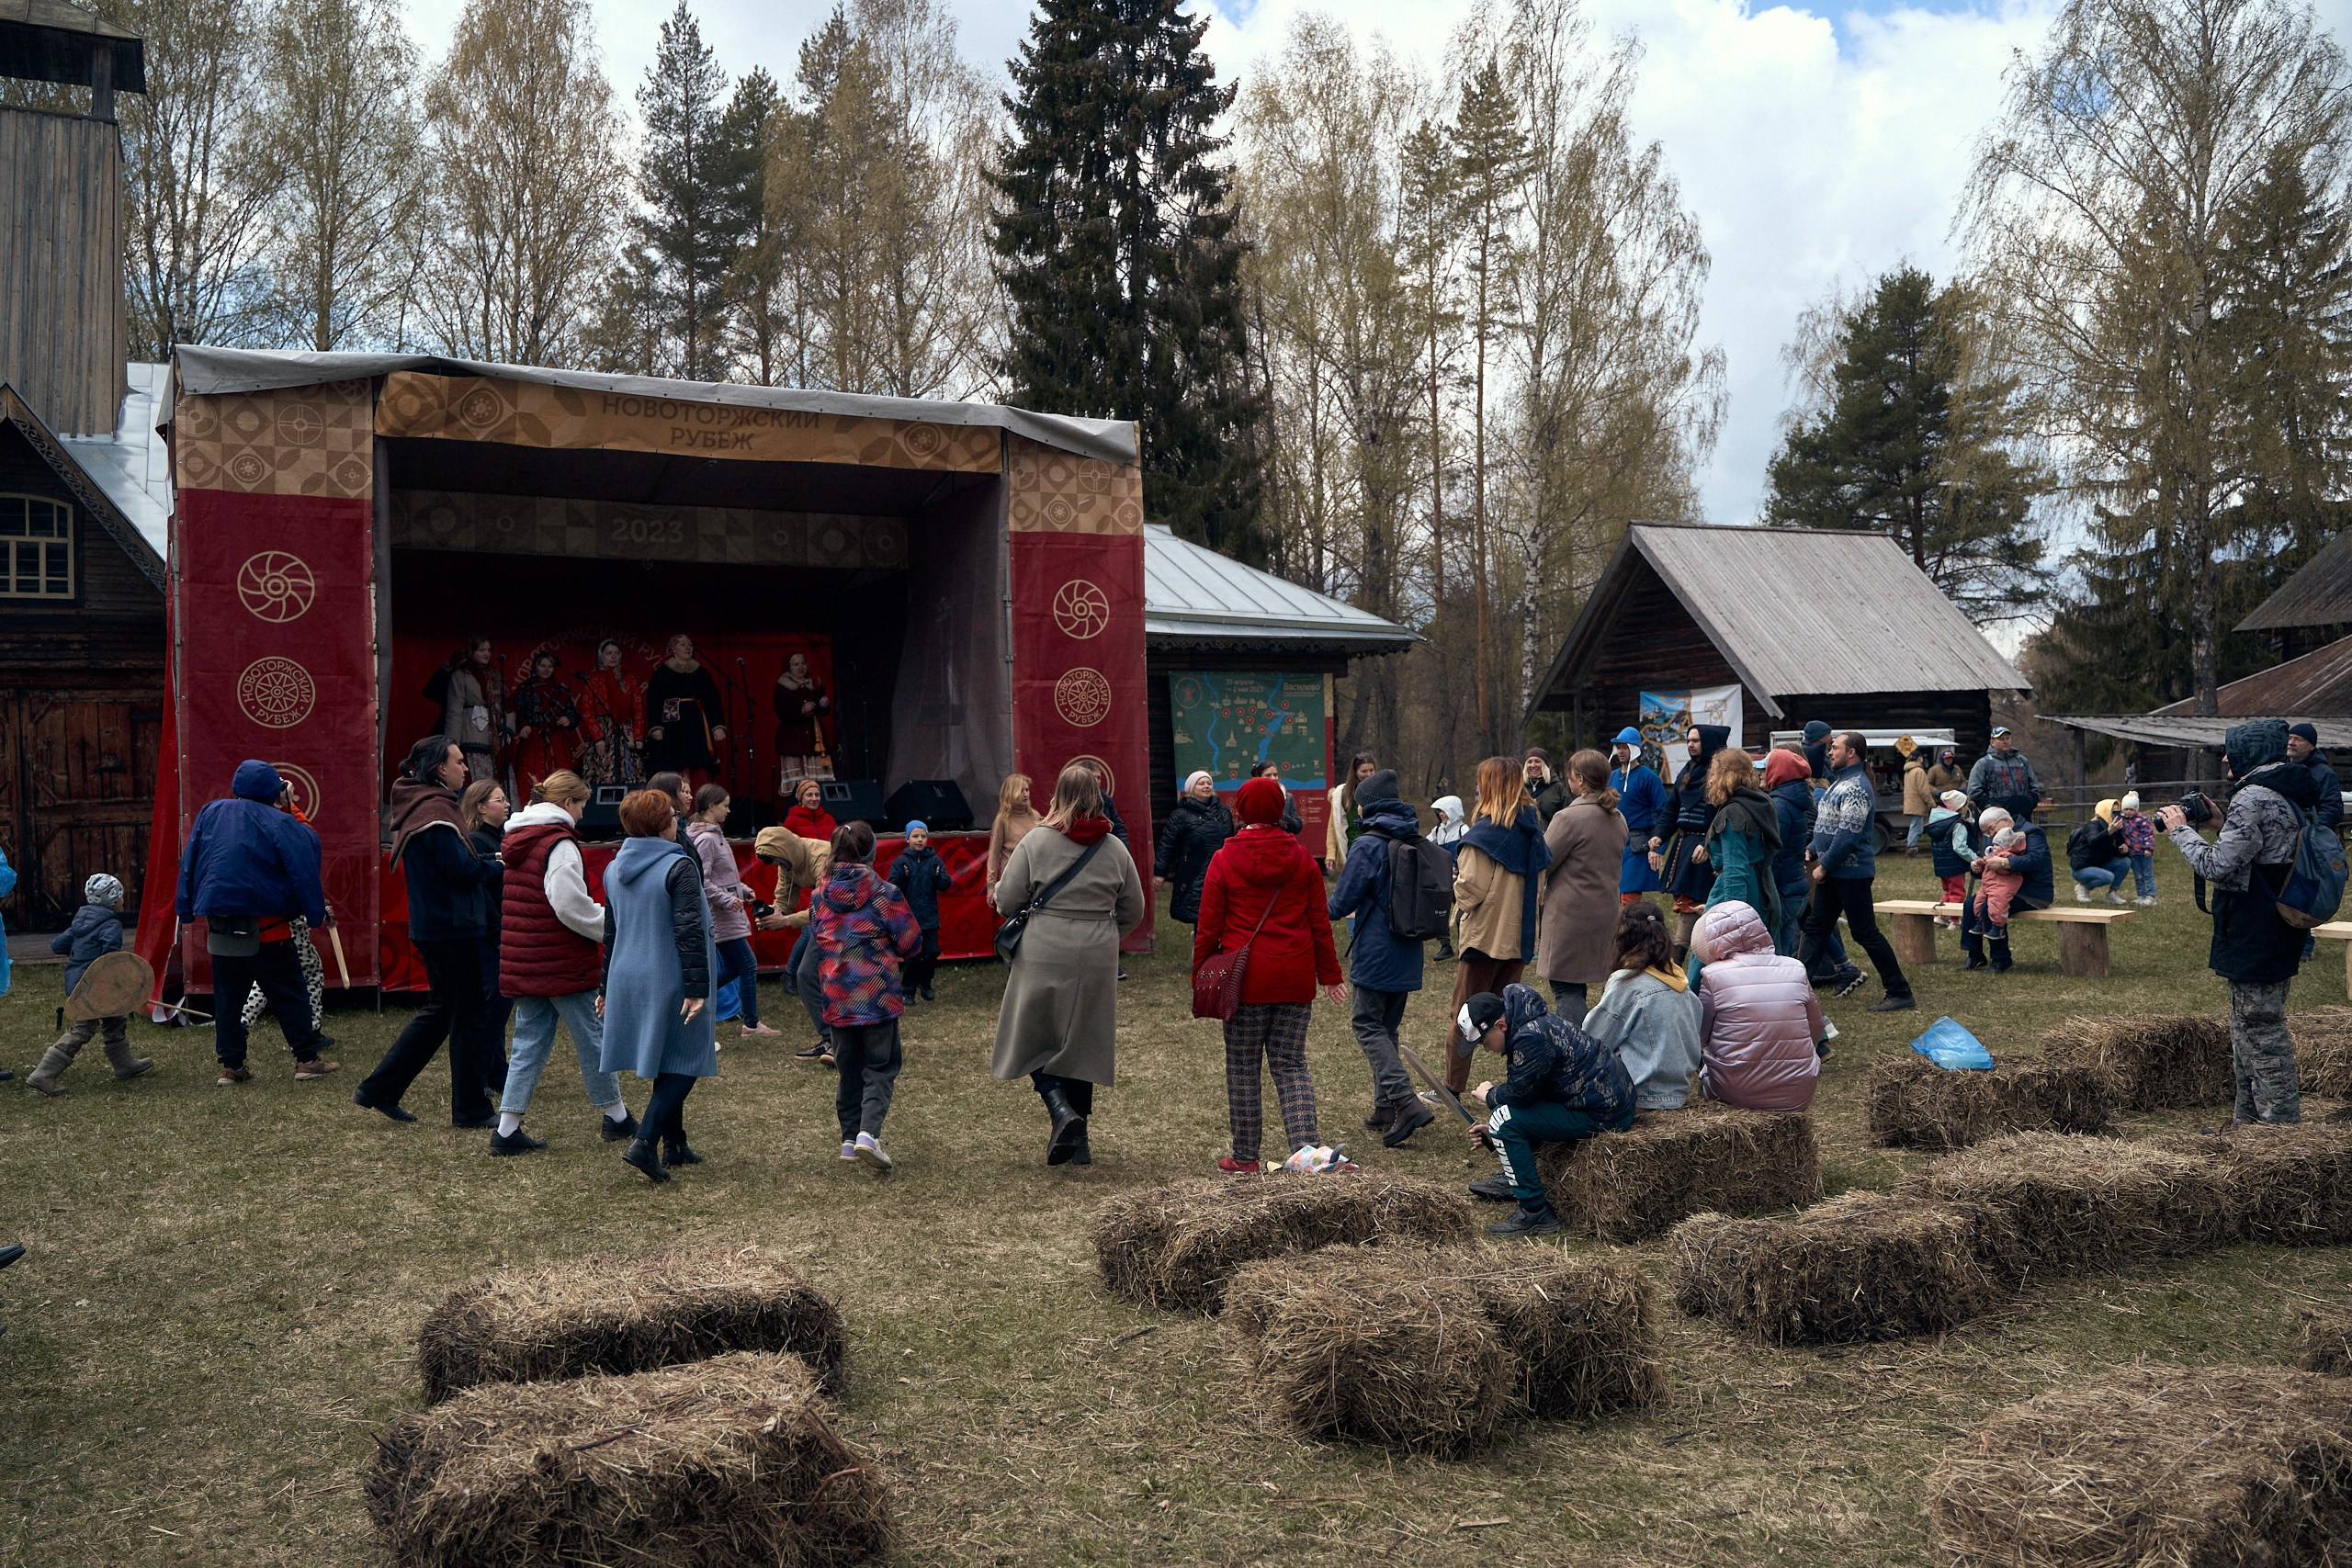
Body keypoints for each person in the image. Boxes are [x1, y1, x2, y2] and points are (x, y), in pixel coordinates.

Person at [2159, 718, 2321, 1124]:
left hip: (2256, 927)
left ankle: (2278, 1129)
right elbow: (2266, 844)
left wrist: (2181, 831)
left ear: (2252, 751)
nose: (2227, 757)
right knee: (2248, 1029)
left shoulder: (2254, 797)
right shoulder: (2285, 790)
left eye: (2232, 749)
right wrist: (2220, 821)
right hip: (2278, 923)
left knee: (2261, 1032)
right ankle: (2247, 1126)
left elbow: (2215, 865)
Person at [991, 762, 1147, 1165]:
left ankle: (1060, 1109)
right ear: (1097, 797)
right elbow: (1134, 907)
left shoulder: (1036, 842)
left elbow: (1007, 901)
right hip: (1097, 950)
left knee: (1034, 1033)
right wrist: (1107, 932)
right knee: (1083, 1040)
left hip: (1044, 946)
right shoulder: (1114, 847)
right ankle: (1080, 1141)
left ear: (1057, 793)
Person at [1194, 776, 1344, 1173]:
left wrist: (1201, 974)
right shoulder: (1301, 859)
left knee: (1243, 1067)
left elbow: (1207, 926)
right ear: (1281, 811)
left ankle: (1245, 1157)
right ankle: (1306, 1156)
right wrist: (1330, 975)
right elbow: (1319, 922)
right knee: (1291, 1064)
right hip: (1294, 977)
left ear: (1239, 811)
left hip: (1244, 980)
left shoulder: (1224, 859)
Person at [356, 738, 504, 1126]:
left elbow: (461, 862)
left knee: (443, 1013)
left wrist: (490, 859)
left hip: (439, 926)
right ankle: (471, 1109)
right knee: (468, 1016)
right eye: (458, 762)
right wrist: (502, 865)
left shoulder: (421, 803)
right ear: (440, 769)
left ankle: (379, 1089)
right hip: (453, 928)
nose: (465, 769)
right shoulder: (435, 810)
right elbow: (462, 871)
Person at [490, 770, 636, 1156]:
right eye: (582, 804)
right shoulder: (559, 844)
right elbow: (569, 904)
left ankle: (507, 1130)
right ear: (568, 804)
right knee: (593, 1038)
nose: (584, 813)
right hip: (561, 960)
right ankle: (617, 1117)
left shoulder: (518, 838)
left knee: (528, 1043)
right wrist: (610, 925)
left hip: (528, 959)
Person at [177, 759, 336, 1086]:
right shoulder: (280, 820)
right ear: (274, 791)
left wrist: (186, 908)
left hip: (220, 927)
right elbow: (307, 852)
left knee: (228, 999)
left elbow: (190, 859)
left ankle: (231, 1067)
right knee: (291, 995)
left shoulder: (211, 812)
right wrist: (314, 912)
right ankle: (306, 1060)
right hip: (269, 929)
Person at [598, 788, 717, 1179]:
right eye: (672, 815)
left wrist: (604, 987)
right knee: (686, 1058)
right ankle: (645, 1142)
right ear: (660, 824)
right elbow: (688, 930)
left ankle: (675, 1143)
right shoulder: (679, 866)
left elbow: (610, 933)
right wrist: (697, 987)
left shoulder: (613, 868)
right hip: (669, 973)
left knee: (668, 1056)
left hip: (627, 972)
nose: (677, 820)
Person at [1460, 985, 1636, 1237]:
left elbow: (1519, 1095)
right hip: (1600, 1101)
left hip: (1605, 1113)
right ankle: (1517, 1176)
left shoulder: (1529, 1038)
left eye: (1484, 1043)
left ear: (1501, 1025)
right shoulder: (1527, 1020)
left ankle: (1535, 1212)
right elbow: (1532, 1093)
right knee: (1504, 1117)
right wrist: (1494, 1134)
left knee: (1503, 1121)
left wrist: (1490, 1095)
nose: (1486, 1050)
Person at [1329, 769, 1436, 1147]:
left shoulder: (1368, 844)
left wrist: (1316, 907)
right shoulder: (1414, 837)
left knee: (1367, 1025)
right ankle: (1385, 1107)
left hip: (1375, 951)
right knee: (1387, 1027)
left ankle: (1404, 1101)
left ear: (1367, 804)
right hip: (1409, 948)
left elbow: (1341, 902)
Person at [812, 820, 922, 1172]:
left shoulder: (819, 896)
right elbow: (911, 942)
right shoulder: (885, 894)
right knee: (880, 1066)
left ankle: (848, 1139)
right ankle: (867, 1135)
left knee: (848, 1069)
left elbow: (818, 937)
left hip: (837, 997)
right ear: (872, 853)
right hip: (877, 997)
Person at [1443, 757, 1553, 1094]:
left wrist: (1455, 883)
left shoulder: (1485, 835)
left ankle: (1452, 1086)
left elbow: (1471, 890)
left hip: (1485, 939)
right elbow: (1540, 887)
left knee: (1464, 1015)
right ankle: (1520, 1083)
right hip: (1519, 940)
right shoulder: (1533, 831)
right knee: (1509, 1018)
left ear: (1489, 786)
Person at [1797, 730, 1915, 1011]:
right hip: (1836, 873)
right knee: (1816, 929)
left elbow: (1847, 834)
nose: (1830, 752)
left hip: (1851, 874)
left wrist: (1824, 866)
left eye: (1835, 747)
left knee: (1864, 932)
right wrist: (1812, 849)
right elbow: (1828, 829)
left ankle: (1899, 992)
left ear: (1852, 753)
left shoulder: (1857, 787)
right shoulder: (1840, 784)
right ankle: (1794, 992)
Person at [1691, 899, 1826, 1111]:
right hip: (1797, 1092)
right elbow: (1816, 1028)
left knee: (1706, 1079)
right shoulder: (1796, 969)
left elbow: (1700, 1035)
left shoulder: (1713, 976)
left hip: (1733, 1093)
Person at [28, 873, 153, 1094]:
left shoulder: (80, 921)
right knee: (82, 1029)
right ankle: (43, 1074)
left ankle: (123, 1065)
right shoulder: (110, 924)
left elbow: (57, 945)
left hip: (78, 981)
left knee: (114, 1018)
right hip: (95, 985)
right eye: (121, 896)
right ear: (114, 901)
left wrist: (80, 952)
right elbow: (110, 958)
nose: (123, 901)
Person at [1578, 902, 1700, 1110]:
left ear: (1622, 939)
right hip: (1678, 1093)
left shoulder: (1627, 984)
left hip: (1640, 1096)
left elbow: (1593, 1041)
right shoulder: (1681, 982)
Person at [1537, 750, 1627, 1025]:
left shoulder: (1568, 818)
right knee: (1587, 985)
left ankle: (1577, 1051)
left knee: (1566, 989)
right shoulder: (1617, 817)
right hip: (1606, 911)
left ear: (1579, 779)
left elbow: (1545, 860)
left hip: (1570, 916)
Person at [688, 784, 775, 1039]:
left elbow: (723, 877)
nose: (728, 810)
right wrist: (727, 899)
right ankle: (751, 1023)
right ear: (711, 806)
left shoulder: (715, 835)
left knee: (737, 967)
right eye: (724, 805)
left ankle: (695, 996)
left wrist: (743, 890)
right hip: (722, 915)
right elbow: (701, 881)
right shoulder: (706, 839)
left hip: (728, 912)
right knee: (747, 964)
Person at [753, 821, 835, 1060]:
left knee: (816, 975)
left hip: (846, 918)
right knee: (807, 975)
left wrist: (787, 921)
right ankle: (831, 1039)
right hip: (827, 919)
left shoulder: (822, 856)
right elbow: (783, 900)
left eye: (777, 861)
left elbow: (828, 905)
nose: (776, 866)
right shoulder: (788, 861)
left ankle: (840, 1042)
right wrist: (773, 914)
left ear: (786, 850)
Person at [1649, 725, 1728, 953]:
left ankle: (1683, 955)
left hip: (1707, 848)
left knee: (1697, 905)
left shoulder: (1720, 776)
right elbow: (1672, 810)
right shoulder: (1687, 771)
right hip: (1684, 845)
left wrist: (1709, 844)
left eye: (1696, 740)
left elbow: (1724, 813)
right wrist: (1659, 836)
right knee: (1686, 903)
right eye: (1689, 740)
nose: (1690, 745)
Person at [462, 779, 515, 1087]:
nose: (506, 803)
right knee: (496, 999)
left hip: (497, 929)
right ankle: (483, 1070)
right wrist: (496, 931)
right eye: (499, 799)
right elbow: (483, 893)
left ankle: (495, 1070)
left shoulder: (499, 838)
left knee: (499, 999)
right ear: (481, 807)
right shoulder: (478, 841)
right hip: (488, 933)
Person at [1958, 805, 2052, 973]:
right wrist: (1979, 867)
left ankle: (2001, 959)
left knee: (1989, 906)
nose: (1991, 835)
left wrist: (2005, 863)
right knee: (1970, 905)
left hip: (2032, 893)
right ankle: (1975, 955)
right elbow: (1993, 868)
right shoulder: (1998, 836)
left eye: (1991, 829)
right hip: (2002, 888)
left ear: (2005, 820)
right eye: (1987, 833)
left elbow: (2035, 860)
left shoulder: (2032, 833)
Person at [1701, 746, 1781, 941]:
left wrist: (1731, 917)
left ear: (1725, 776)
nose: (1710, 780)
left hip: (1740, 894)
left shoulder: (1734, 814)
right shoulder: (1759, 803)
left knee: (1710, 959)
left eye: (1713, 773)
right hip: (1764, 891)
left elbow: (1735, 870)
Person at [642, 634, 729, 786]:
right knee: (675, 760)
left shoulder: (701, 672)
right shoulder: (663, 672)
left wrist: (717, 725)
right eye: (683, 644)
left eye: (690, 644)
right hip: (672, 724)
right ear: (673, 649)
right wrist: (656, 726)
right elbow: (654, 700)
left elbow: (713, 700)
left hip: (696, 723)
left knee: (698, 763)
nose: (688, 647)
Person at [1155, 771, 1237, 926]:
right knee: (1200, 917)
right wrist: (1160, 873)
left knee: (1223, 915)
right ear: (1191, 788)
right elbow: (1167, 844)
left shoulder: (1224, 812)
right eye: (1201, 783)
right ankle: (1200, 947)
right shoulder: (1181, 815)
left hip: (1222, 872)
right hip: (1194, 873)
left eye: (1209, 783)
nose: (1206, 786)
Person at [1764, 747, 1823, 958]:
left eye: (1767, 768)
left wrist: (1766, 888)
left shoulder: (1779, 805)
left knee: (1777, 954)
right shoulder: (1794, 800)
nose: (1762, 773)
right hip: (1795, 884)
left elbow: (1775, 853)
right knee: (1786, 949)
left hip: (1782, 889)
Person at [888, 819, 951, 1001]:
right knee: (912, 957)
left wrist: (938, 877)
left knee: (931, 952)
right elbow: (892, 887)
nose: (920, 840)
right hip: (908, 917)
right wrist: (901, 877)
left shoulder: (934, 861)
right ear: (907, 838)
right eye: (915, 836)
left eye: (923, 836)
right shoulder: (900, 862)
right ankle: (908, 990)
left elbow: (946, 884)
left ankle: (926, 982)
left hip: (929, 916)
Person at [509, 649, 581, 800]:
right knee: (532, 777)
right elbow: (518, 711)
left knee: (558, 778)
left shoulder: (560, 690)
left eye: (550, 666)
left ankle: (560, 808)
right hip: (533, 740)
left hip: (556, 740)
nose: (546, 669)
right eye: (543, 665)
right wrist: (523, 725)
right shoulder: (525, 688)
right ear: (536, 666)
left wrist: (568, 719)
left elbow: (573, 715)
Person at [435, 636, 505, 784]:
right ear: (471, 652)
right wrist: (452, 745)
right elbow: (455, 711)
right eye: (481, 650)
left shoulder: (495, 675)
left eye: (488, 650)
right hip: (472, 735)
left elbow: (508, 704)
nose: (486, 654)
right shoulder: (462, 675)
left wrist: (507, 728)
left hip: (494, 738)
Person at [1609, 727, 1668, 904]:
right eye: (1618, 747)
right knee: (1612, 896)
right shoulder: (1611, 777)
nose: (1620, 751)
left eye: (1624, 747)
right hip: (1614, 844)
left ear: (1634, 749)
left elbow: (1664, 813)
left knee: (1629, 899)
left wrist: (1658, 847)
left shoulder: (1648, 778)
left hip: (1636, 844)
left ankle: (1631, 931)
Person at [578, 637, 642, 786]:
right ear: (602, 656)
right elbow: (587, 711)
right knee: (602, 774)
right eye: (609, 653)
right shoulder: (593, 679)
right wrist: (598, 738)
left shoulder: (628, 678)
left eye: (616, 653)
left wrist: (638, 736)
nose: (613, 657)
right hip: (602, 731)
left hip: (625, 731)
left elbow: (637, 709)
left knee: (629, 773)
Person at [773, 649, 834, 794]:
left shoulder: (814, 681)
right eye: (796, 664)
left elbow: (822, 709)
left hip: (814, 739)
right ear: (789, 667)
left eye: (803, 663)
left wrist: (823, 705)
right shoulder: (783, 685)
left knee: (818, 784)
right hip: (793, 740)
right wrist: (800, 710)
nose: (801, 667)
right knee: (798, 784)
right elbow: (781, 711)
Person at [1968, 725, 2044, 824]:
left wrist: (2030, 802)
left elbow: (2034, 786)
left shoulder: (2022, 761)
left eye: (2007, 738)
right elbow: (1974, 791)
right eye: (2001, 739)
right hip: (1995, 820)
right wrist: (1989, 807)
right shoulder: (1984, 764)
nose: (2005, 741)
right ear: (1992, 742)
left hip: (2023, 817)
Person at [1973, 823, 2030, 948]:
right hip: (1987, 885)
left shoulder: (2009, 857)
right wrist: (1981, 864)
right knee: (1977, 902)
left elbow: (2005, 870)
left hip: (2002, 886)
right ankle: (1980, 921)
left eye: (1997, 845)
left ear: (2005, 846)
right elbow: (1987, 868)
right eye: (1993, 844)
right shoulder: (1994, 855)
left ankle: (1998, 926)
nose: (1994, 847)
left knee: (1997, 905)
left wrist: (1999, 864)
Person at [2067, 798, 2132, 906]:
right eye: (2113, 812)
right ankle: (2083, 888)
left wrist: (2123, 850)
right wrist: (2108, 832)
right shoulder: (2093, 825)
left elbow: (2115, 850)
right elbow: (2094, 842)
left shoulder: (2115, 827)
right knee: (2108, 877)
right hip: (2081, 867)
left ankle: (2112, 894)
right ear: (2104, 811)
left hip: (2100, 864)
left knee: (2125, 862)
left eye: (2118, 812)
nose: (2115, 815)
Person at [986, 773, 1039, 905]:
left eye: (1027, 790)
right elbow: (993, 855)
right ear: (1011, 793)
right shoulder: (1002, 820)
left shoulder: (1035, 816)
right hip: (1012, 878)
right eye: (1021, 790)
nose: (1026, 794)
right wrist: (991, 886)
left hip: (1035, 877)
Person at [1926, 787, 1974, 924]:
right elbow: (1960, 847)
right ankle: (1954, 919)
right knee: (1958, 892)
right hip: (1955, 865)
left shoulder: (1939, 822)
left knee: (1948, 891)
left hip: (1942, 865)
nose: (1967, 807)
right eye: (1965, 805)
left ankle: (1941, 916)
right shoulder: (1958, 824)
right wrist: (1974, 858)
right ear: (1959, 807)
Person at [1429, 793, 1466, 959]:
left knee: (1462, 914)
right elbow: (1428, 845)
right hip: (1444, 878)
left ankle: (1463, 947)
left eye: (1444, 810)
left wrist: (1458, 866)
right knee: (1440, 912)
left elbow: (1469, 852)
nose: (1441, 814)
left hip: (1461, 877)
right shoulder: (1438, 830)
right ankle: (1445, 945)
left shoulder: (1462, 830)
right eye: (1440, 811)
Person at [2289, 723, 2344, 829]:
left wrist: (2311, 829)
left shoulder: (2324, 774)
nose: (2291, 743)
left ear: (2312, 746)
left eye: (2298, 739)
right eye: (2289, 738)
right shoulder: (2280, 768)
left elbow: (2332, 809)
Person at [1327, 752, 1377, 864]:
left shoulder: (1382, 792)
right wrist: (1331, 854)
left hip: (1376, 849)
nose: (1369, 774)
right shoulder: (1342, 794)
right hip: (1353, 850)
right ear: (1355, 772)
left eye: (1371, 770)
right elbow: (1333, 825)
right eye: (1364, 771)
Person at [2115, 791, 2158, 905]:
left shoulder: (2142, 820)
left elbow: (2148, 834)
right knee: (2138, 875)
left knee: (2147, 874)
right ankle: (2141, 895)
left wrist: (2148, 848)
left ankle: (2150, 895)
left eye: (2131, 809)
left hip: (2144, 853)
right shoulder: (2121, 820)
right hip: (2132, 853)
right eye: (2126, 809)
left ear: (2136, 809)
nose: (2129, 812)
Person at [1250, 761, 1303, 835]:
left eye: (1275, 775)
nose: (1273, 778)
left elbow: (1297, 827)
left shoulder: (1288, 798)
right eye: (1268, 775)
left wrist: (1278, 813)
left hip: (1283, 843)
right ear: (1259, 777)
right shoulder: (1251, 798)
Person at [1901, 741, 1934, 852]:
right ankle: (1912, 847)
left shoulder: (1908, 771)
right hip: (1918, 803)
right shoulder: (1919, 771)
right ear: (1919, 759)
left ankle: (1912, 846)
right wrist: (1931, 803)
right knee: (1916, 826)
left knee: (1915, 825)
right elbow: (1924, 790)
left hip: (1911, 802)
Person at [1526, 749, 1572, 827]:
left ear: (1545, 765)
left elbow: (1568, 817)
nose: (1533, 765)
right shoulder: (1520, 788)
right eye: (1529, 762)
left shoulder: (1558, 788)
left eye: (1537, 761)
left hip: (1550, 836)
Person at [784, 775, 837, 842]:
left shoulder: (829, 819)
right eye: (809, 795)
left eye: (817, 795)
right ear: (801, 798)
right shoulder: (791, 821)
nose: (814, 799)